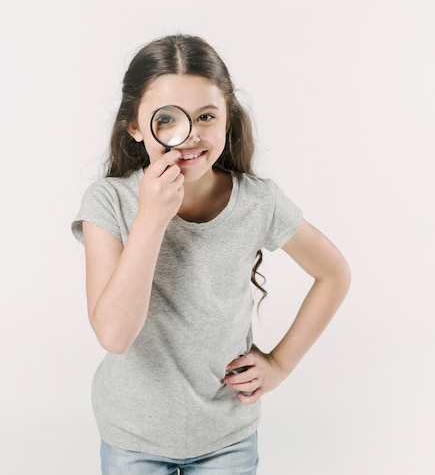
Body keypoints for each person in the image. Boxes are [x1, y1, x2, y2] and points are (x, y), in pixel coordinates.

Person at [71, 34, 351, 474]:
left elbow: (334, 274)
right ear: (135, 126)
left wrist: (279, 364)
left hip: (227, 437)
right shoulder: (109, 202)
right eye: (166, 120)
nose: (190, 136)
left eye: (206, 116)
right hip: (132, 435)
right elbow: (114, 335)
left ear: (228, 121)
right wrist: (151, 219)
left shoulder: (260, 202)